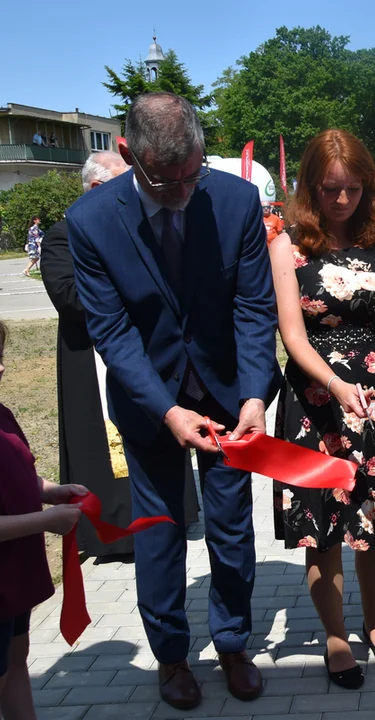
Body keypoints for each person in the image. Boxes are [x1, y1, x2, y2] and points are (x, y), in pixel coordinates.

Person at [67, 92, 281, 709]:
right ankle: (170, 657)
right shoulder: (91, 222)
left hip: (224, 395)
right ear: (129, 154)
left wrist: (251, 394)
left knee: (232, 528)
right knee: (159, 531)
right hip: (150, 402)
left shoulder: (235, 198)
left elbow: (251, 304)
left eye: (194, 173)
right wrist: (165, 409)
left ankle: (233, 642)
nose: (186, 190)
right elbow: (112, 332)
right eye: (168, 179)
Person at [269, 129, 375, 687]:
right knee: (323, 525)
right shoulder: (287, 245)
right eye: (330, 189)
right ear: (311, 186)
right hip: (315, 399)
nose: (341, 200)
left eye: (353, 189)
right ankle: (337, 637)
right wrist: (335, 385)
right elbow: (292, 334)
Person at [40, 151, 201, 557]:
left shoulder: (141, 226)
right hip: (92, 354)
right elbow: (66, 294)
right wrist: (122, 295)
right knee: (104, 443)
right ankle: (113, 527)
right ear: (98, 187)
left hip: (146, 351)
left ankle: (171, 513)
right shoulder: (63, 234)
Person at [0, 320, 89, 720]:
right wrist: (44, 521)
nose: (1, 368)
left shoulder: (2, 415)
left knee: (16, 660)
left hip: (15, 573)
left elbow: (18, 473)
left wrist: (48, 490)